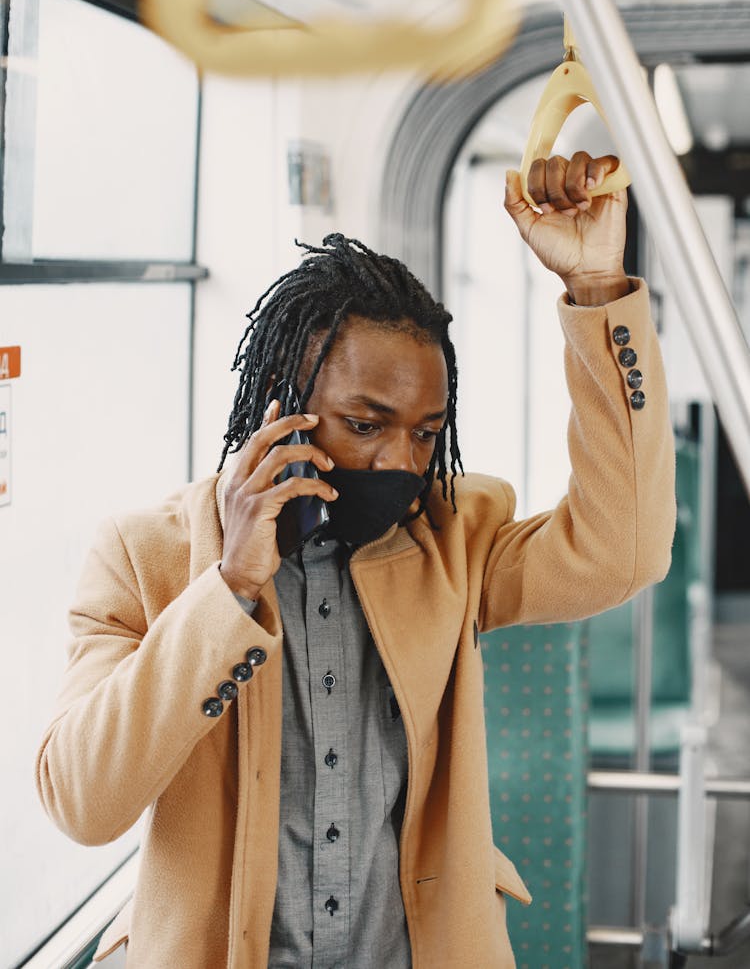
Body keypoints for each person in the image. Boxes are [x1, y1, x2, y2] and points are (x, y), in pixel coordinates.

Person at [36, 153, 676, 968]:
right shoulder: (146, 556)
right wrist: (229, 585)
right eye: (364, 423)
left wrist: (597, 293)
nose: (397, 464)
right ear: (280, 401)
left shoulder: (454, 536)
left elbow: (625, 550)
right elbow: (82, 801)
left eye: (423, 432)